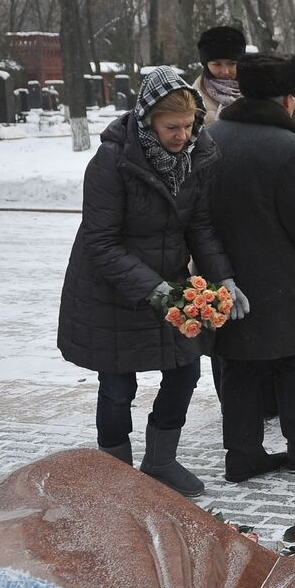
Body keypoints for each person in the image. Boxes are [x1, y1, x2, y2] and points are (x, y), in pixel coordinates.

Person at [58, 66, 239, 497]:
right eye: (171, 127)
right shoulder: (111, 162)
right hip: (112, 290)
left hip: (171, 285)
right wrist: (152, 289)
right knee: (119, 384)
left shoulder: (197, 155)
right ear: (146, 121)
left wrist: (224, 278)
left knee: (184, 371)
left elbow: (200, 227)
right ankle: (115, 470)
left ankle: (160, 460)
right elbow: (100, 241)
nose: (183, 135)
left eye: (190, 125)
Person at [208, 53, 295, 483]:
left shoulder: (212, 134)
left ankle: (242, 455)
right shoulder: (290, 146)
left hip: (226, 273)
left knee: (238, 366)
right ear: (286, 97)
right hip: (282, 275)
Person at [192, 25, 245, 124]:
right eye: (217, 64)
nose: (225, 71)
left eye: (232, 64)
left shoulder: (255, 91)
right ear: (206, 65)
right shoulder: (193, 98)